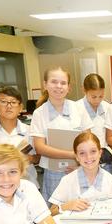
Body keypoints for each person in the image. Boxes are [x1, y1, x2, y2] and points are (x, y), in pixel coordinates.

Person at [30, 66, 93, 200]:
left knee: (81, 206)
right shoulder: (39, 113)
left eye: (63, 83)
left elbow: (89, 140)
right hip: (53, 172)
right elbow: (39, 147)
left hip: (79, 169)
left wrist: (79, 163)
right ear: (45, 84)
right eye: (54, 82)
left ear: (69, 87)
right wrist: (72, 155)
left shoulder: (78, 109)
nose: (59, 86)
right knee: (56, 209)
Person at [48, 132, 112, 215]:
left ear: (100, 153)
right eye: (82, 153)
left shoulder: (110, 180)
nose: (88, 157)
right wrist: (65, 206)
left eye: (93, 151)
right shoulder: (67, 181)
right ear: (77, 157)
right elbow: (51, 212)